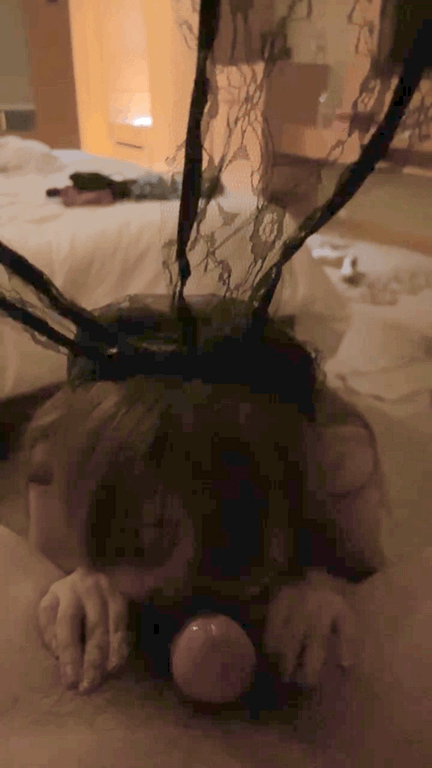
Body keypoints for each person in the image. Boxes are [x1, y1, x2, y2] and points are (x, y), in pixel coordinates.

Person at [22, 296, 388, 698]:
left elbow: (365, 572)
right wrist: (74, 575)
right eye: (142, 540)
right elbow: (51, 562)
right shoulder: (53, 466)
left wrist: (325, 585)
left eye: (227, 545)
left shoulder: (337, 466)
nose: (186, 592)